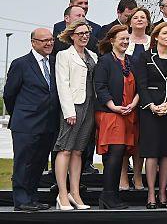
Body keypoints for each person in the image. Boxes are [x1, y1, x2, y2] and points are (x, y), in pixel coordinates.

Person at [4, 28, 59, 212]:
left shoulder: (55, 62)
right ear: (33, 42)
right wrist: (20, 114)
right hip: (26, 124)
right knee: (23, 163)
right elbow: (9, 94)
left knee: (38, 163)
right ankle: (21, 200)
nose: (49, 43)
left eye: (51, 40)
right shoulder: (20, 64)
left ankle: (32, 198)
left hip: (49, 123)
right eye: (44, 41)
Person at [135, 21, 167, 209]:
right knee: (151, 152)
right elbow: (141, 84)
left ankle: (163, 192)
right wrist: (152, 105)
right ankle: (151, 193)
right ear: (156, 36)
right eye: (165, 33)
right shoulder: (145, 57)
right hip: (150, 110)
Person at [53, 18, 98, 210]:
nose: (84, 37)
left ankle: (75, 192)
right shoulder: (64, 55)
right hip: (73, 107)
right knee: (65, 149)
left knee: (79, 151)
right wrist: (69, 111)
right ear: (71, 36)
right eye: (80, 34)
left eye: (87, 33)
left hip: (90, 106)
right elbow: (62, 84)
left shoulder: (93, 56)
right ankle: (62, 194)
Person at [93, 25, 140, 209]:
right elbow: (100, 87)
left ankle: (112, 194)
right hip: (111, 113)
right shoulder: (105, 61)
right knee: (114, 152)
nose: (125, 42)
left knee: (120, 154)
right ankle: (107, 195)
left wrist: (133, 104)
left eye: (127, 39)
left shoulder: (131, 61)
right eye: (122, 39)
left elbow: (140, 87)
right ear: (112, 40)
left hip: (129, 112)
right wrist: (114, 107)